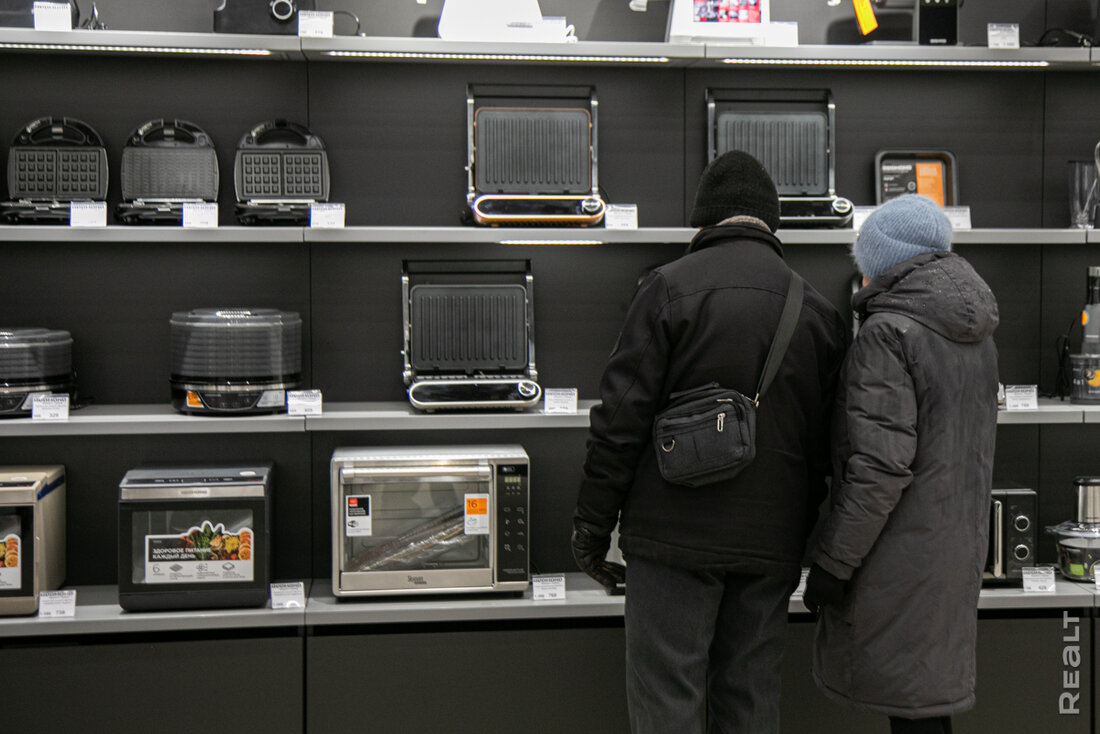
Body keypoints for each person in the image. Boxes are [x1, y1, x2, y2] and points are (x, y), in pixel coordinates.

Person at [571, 150, 848, 734]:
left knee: (666, 703)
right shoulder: (818, 313)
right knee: (750, 702)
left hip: (671, 539)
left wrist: (593, 527)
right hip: (769, 544)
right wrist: (799, 536)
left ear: (703, 220)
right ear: (771, 222)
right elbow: (829, 449)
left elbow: (619, 421)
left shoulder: (666, 290)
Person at [802, 194, 1000, 734]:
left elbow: (879, 468)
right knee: (925, 709)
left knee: (913, 715)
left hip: (898, 557)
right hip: (954, 548)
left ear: (882, 259)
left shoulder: (887, 333)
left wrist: (833, 563)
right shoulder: (977, 335)